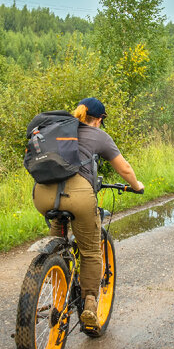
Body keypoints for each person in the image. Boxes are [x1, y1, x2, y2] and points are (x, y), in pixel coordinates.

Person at [31, 97, 144, 329]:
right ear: (99, 119)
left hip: (42, 195)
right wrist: (136, 186)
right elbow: (124, 168)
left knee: (58, 242)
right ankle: (90, 305)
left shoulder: (56, 130)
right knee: (91, 250)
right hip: (78, 196)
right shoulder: (99, 135)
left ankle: (55, 294)